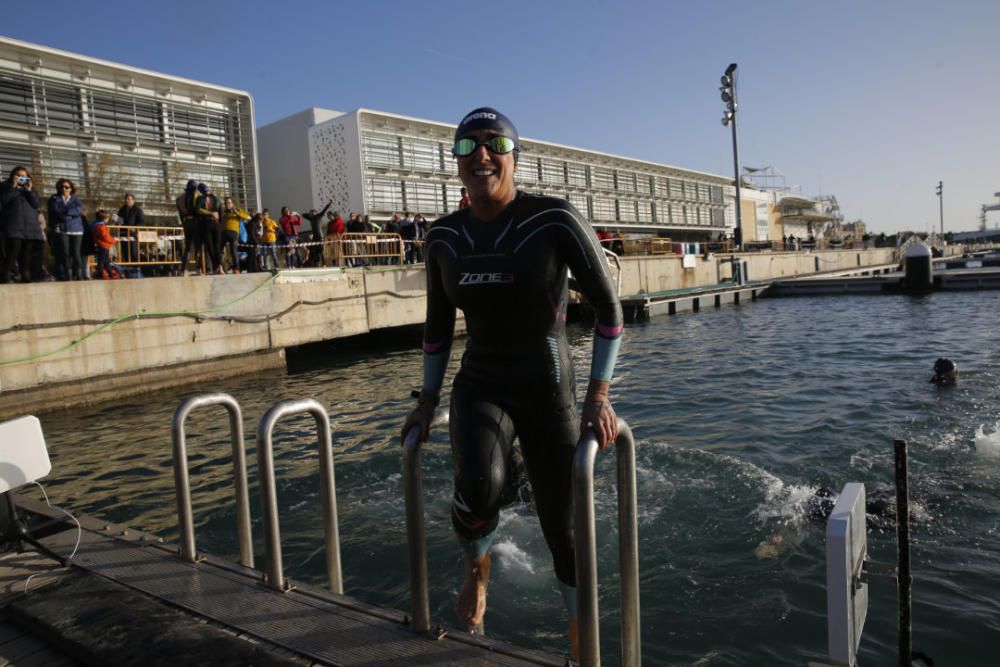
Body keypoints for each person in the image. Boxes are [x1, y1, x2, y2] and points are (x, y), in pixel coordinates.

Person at [400, 107, 623, 661]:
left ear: (515, 158)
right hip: (481, 382)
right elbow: (435, 329)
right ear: (455, 165)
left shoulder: (554, 220)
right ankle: (479, 566)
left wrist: (599, 394)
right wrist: (426, 401)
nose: (480, 156)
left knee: (563, 532)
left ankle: (578, 630)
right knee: (477, 487)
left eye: (494, 144)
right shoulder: (444, 237)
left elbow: (610, 312)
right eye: (465, 147)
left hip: (549, 387)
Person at [1, 166, 45, 283]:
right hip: (14, 224)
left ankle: (25, 274)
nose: (21, 178)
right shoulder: (5, 186)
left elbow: (36, 205)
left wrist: (29, 191)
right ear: (13, 176)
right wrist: (14, 187)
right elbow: (5, 200)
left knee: (27, 251)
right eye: (18, 175)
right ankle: (6, 273)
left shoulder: (31, 189)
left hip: (30, 225)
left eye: (23, 176)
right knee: (13, 249)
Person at [47, 178, 86, 281]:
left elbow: (79, 210)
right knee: (65, 253)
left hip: (76, 229)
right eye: (62, 187)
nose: (64, 189)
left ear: (71, 189)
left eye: (66, 187)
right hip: (62, 229)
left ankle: (78, 273)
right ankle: (67, 275)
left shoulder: (76, 199)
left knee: (76, 253)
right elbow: (55, 211)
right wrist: (68, 215)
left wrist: (66, 212)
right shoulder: (55, 198)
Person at [196, 183, 223, 274]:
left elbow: (198, 210)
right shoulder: (215, 199)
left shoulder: (200, 198)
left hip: (207, 224)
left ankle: (217, 267)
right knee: (216, 247)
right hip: (215, 224)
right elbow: (220, 212)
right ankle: (219, 267)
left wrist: (210, 213)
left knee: (211, 247)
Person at [219, 196, 250, 273]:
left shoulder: (237, 210)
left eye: (229, 203)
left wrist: (237, 213)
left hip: (233, 233)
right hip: (223, 233)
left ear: (232, 204)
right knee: (220, 251)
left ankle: (236, 269)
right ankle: (221, 268)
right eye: (226, 203)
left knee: (233, 251)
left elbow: (247, 217)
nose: (227, 205)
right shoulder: (224, 212)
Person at [176, 180, 200, 276]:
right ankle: (199, 269)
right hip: (195, 222)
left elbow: (180, 214)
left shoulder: (179, 199)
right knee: (197, 247)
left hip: (186, 222)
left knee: (188, 247)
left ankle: (183, 270)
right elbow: (198, 210)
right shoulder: (196, 196)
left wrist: (184, 222)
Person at [301, 201, 331, 266]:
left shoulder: (318, 216)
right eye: (310, 213)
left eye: (312, 212)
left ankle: (324, 263)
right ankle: (314, 262)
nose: (311, 214)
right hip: (315, 236)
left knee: (320, 250)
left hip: (320, 236)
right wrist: (309, 214)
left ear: (315, 212)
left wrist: (329, 204)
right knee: (313, 249)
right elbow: (303, 215)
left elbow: (324, 210)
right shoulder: (311, 218)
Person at [116, 193, 144, 264]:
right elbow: (119, 220)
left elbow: (141, 222)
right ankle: (127, 270)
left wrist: (135, 228)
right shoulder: (121, 210)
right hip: (123, 234)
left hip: (133, 235)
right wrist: (117, 222)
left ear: (133, 200)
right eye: (125, 199)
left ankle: (135, 269)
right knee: (125, 253)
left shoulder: (137, 210)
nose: (126, 200)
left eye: (128, 199)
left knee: (133, 253)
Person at [90, 210, 118, 279]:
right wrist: (114, 240)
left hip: (100, 245)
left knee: (105, 262)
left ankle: (110, 274)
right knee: (102, 262)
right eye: (107, 218)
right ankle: (98, 274)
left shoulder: (94, 225)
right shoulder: (102, 227)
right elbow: (106, 237)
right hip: (104, 246)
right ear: (104, 219)